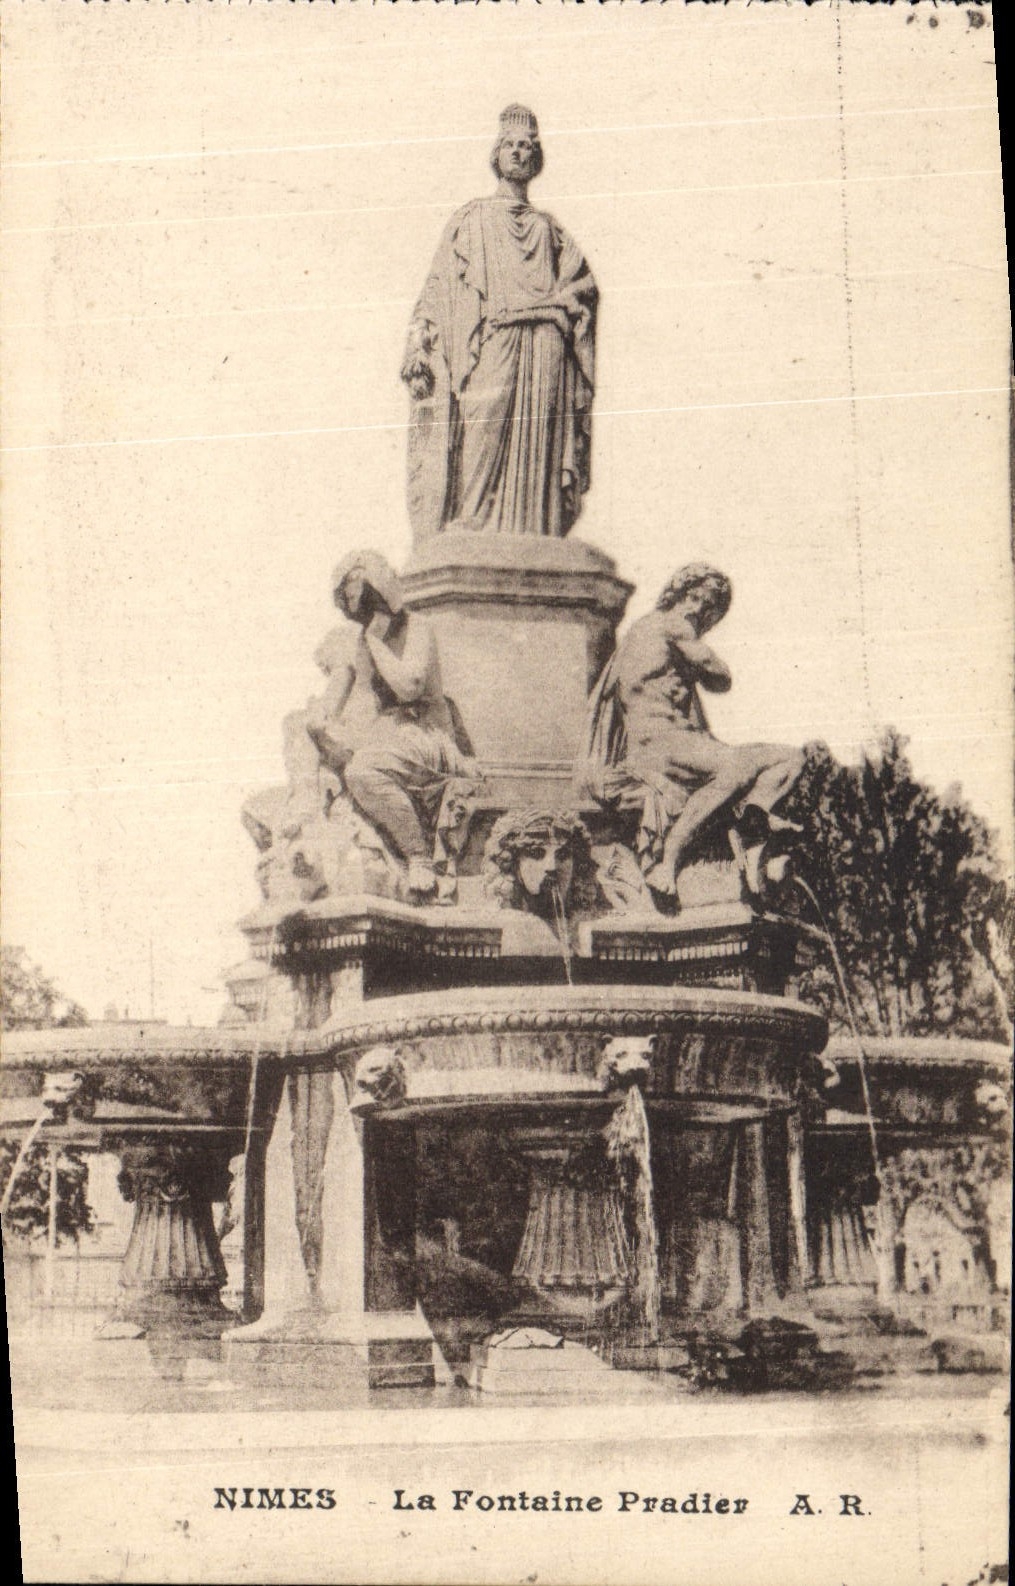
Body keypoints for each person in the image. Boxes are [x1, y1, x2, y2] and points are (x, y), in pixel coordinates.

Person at [401, 104, 597, 539]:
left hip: (545, 345)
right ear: (497, 153)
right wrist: (417, 343)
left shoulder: (550, 229)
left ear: (537, 158)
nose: (519, 153)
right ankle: (471, 518)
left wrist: (564, 304)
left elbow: (583, 287)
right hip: (495, 338)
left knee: (538, 449)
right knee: (481, 423)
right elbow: (437, 288)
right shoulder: (472, 218)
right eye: (511, 145)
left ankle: (537, 532)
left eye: (528, 146)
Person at [577, 564, 804, 895]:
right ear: (676, 595)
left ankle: (753, 823)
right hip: (659, 746)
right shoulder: (672, 626)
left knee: (790, 758)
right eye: (695, 597)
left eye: (708, 605)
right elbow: (721, 677)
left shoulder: (646, 634)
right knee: (742, 766)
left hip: (681, 743)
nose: (698, 608)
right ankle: (670, 859)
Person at [303, 550, 479, 897]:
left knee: (362, 772)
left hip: (428, 734)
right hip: (390, 734)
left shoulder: (418, 629)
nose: (366, 615)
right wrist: (323, 717)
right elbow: (354, 689)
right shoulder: (363, 642)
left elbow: (409, 686)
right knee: (319, 749)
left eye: (369, 602)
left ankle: (419, 856)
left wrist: (374, 642)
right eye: (359, 608)